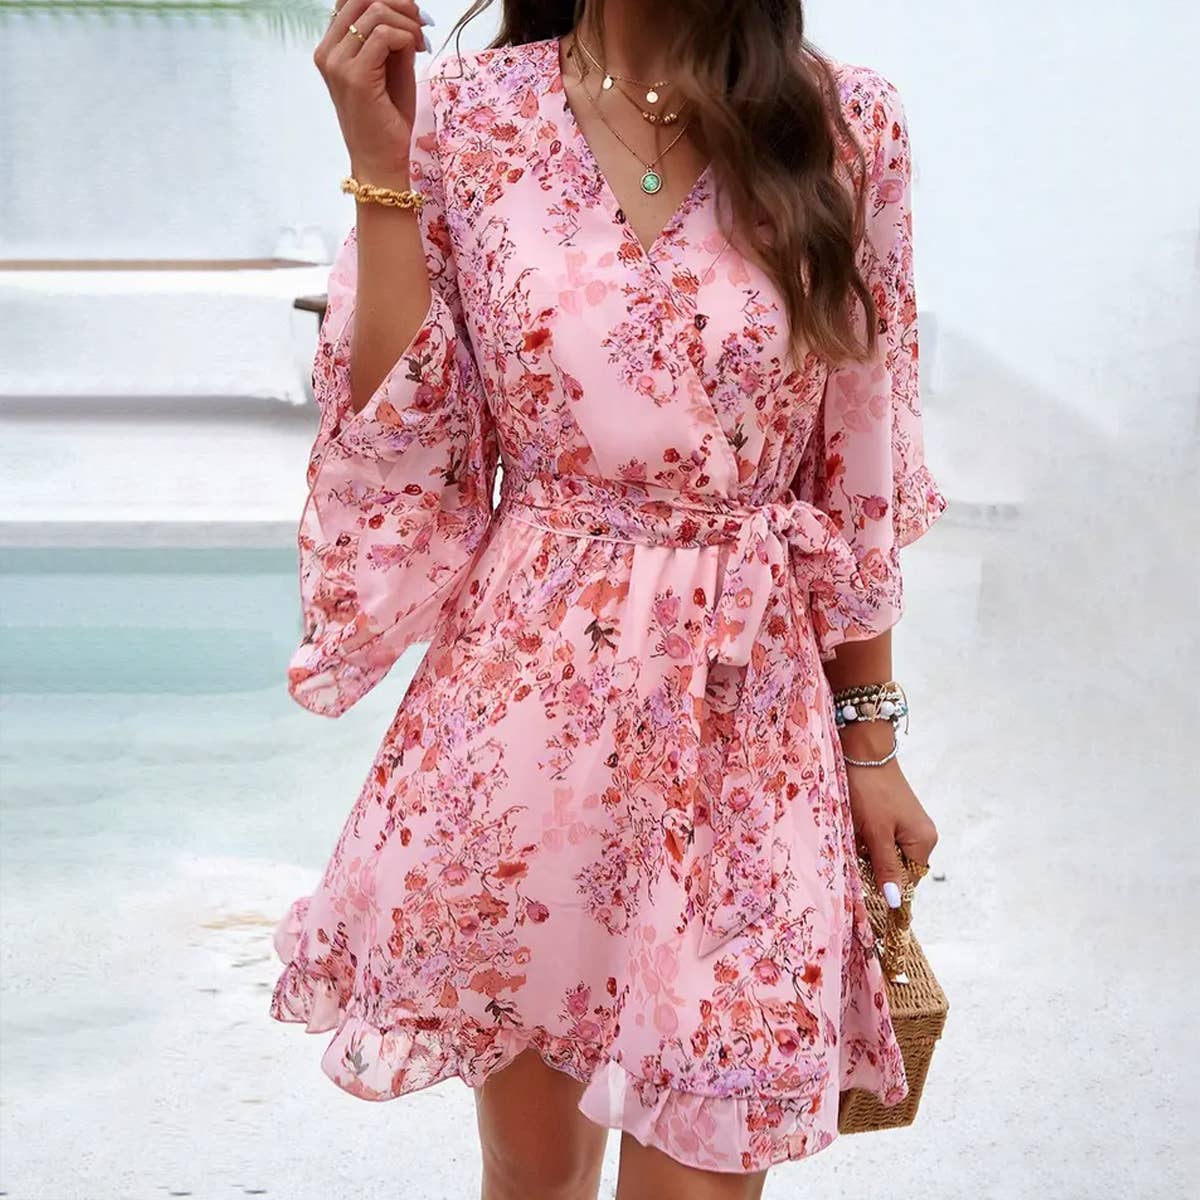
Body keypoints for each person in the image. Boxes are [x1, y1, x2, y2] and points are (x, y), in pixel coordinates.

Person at [270, 1, 947, 1197]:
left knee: (702, 1171)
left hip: (748, 722)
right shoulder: (466, 118)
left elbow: (859, 467)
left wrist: (872, 741)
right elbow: (401, 437)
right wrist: (381, 170)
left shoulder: (846, 123)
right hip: (530, 711)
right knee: (533, 1178)